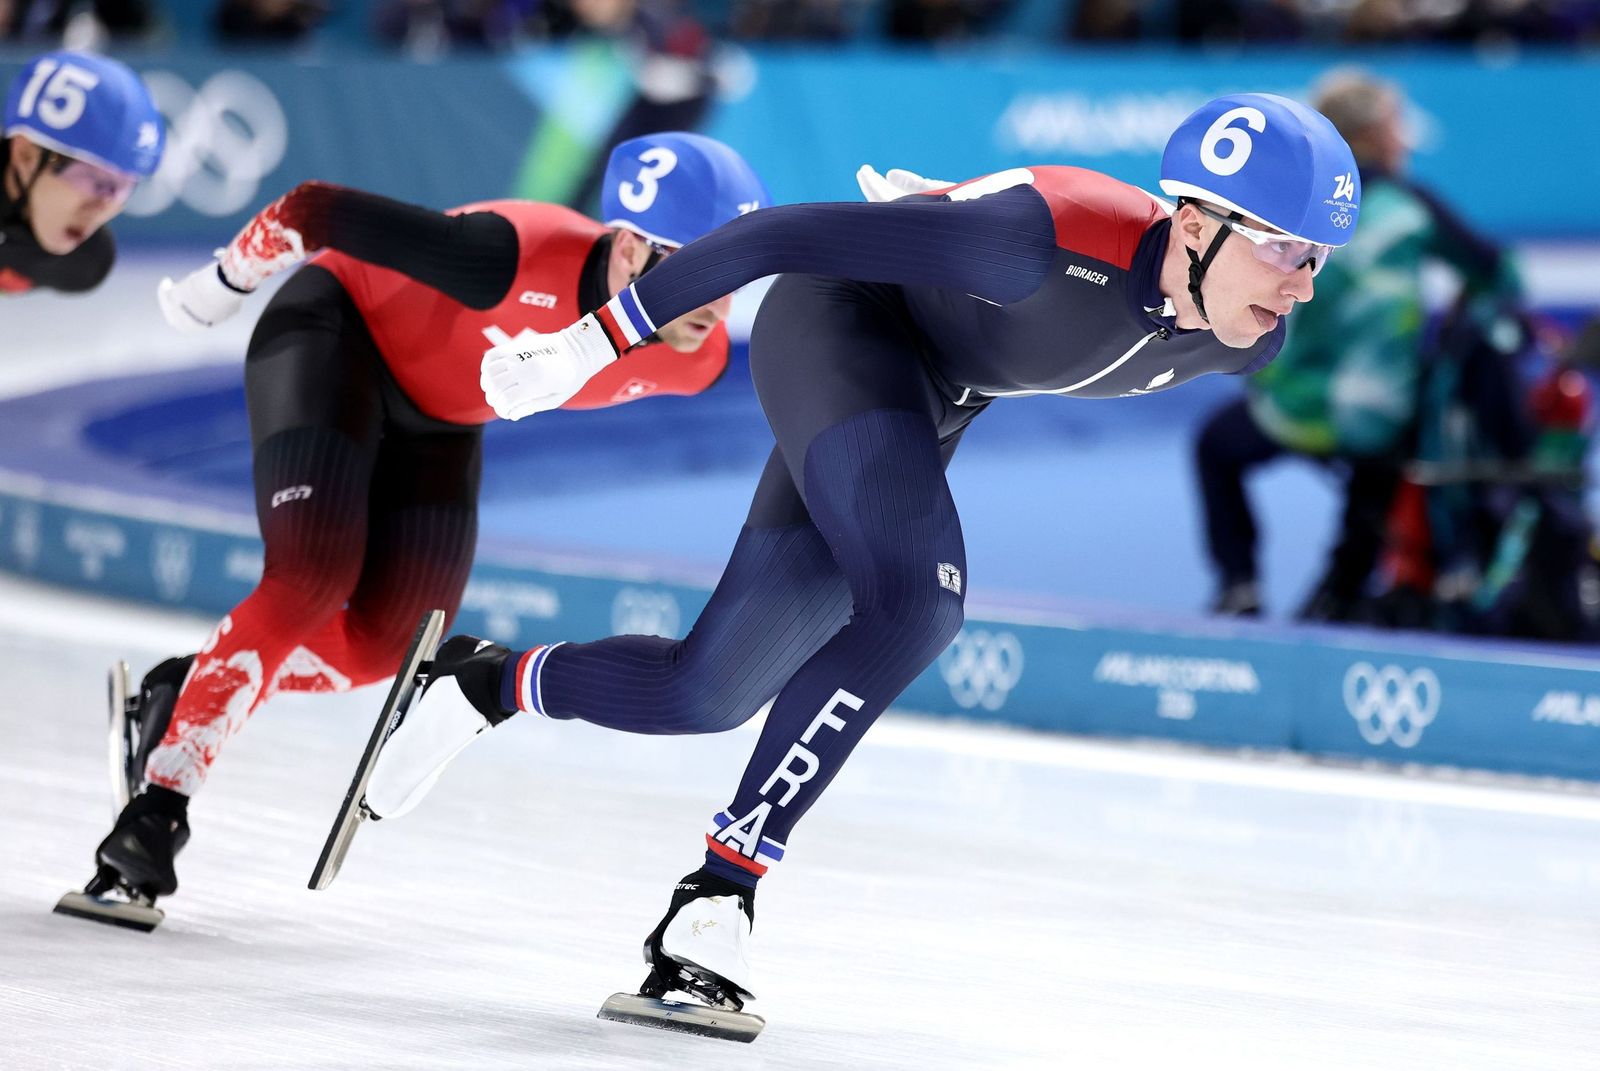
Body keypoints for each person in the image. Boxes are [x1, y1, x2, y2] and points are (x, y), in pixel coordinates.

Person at [363, 94, 1360, 1016]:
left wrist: (937, 213)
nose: (1303, 285)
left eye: (1319, 256)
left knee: (702, 693)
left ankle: (483, 685)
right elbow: (772, 235)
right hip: (840, 322)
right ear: (1192, 226)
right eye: (1283, 248)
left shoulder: (1243, 337)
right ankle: (717, 897)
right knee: (919, 603)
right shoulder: (1038, 244)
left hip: (930, 393)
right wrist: (595, 341)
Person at [66, 131, 769, 923]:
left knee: (385, 648)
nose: (717, 302)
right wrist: (223, 283)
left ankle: (186, 688)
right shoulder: (507, 253)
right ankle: (157, 808)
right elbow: (314, 208)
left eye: (735, 272)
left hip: (439, 420)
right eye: (697, 268)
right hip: (338, 337)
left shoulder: (696, 358)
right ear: (632, 246)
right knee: (311, 578)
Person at [1193, 70, 1520, 620]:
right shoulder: (1412, 206)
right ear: (1370, 135)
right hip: (1382, 418)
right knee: (1385, 454)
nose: (1407, 141)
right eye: (1397, 128)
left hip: (1293, 407)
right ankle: (1342, 591)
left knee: (1214, 446)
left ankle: (1239, 583)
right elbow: (1501, 276)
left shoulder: (1289, 202)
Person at [1, 49, 163, 296]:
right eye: (97, 181)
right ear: (26, 156)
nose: (105, 205)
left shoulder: (85, 263)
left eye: (124, 186)